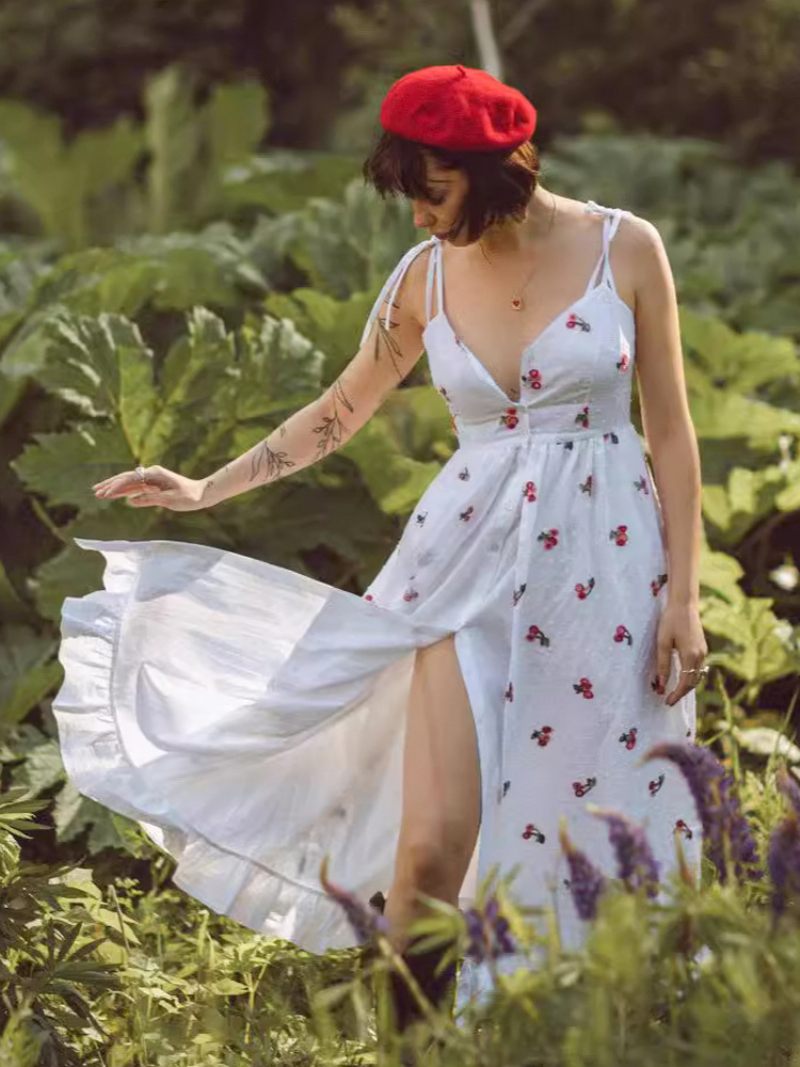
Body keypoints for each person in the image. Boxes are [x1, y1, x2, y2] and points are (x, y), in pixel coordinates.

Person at [53, 64, 709, 1028]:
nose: (417, 217)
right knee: (431, 843)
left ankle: (580, 1019)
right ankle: (412, 1046)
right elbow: (341, 409)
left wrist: (684, 597)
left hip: (604, 568)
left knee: (595, 807)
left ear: (500, 170)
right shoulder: (422, 278)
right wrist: (206, 488)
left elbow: (673, 430)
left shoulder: (626, 248)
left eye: (431, 192)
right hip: (462, 567)